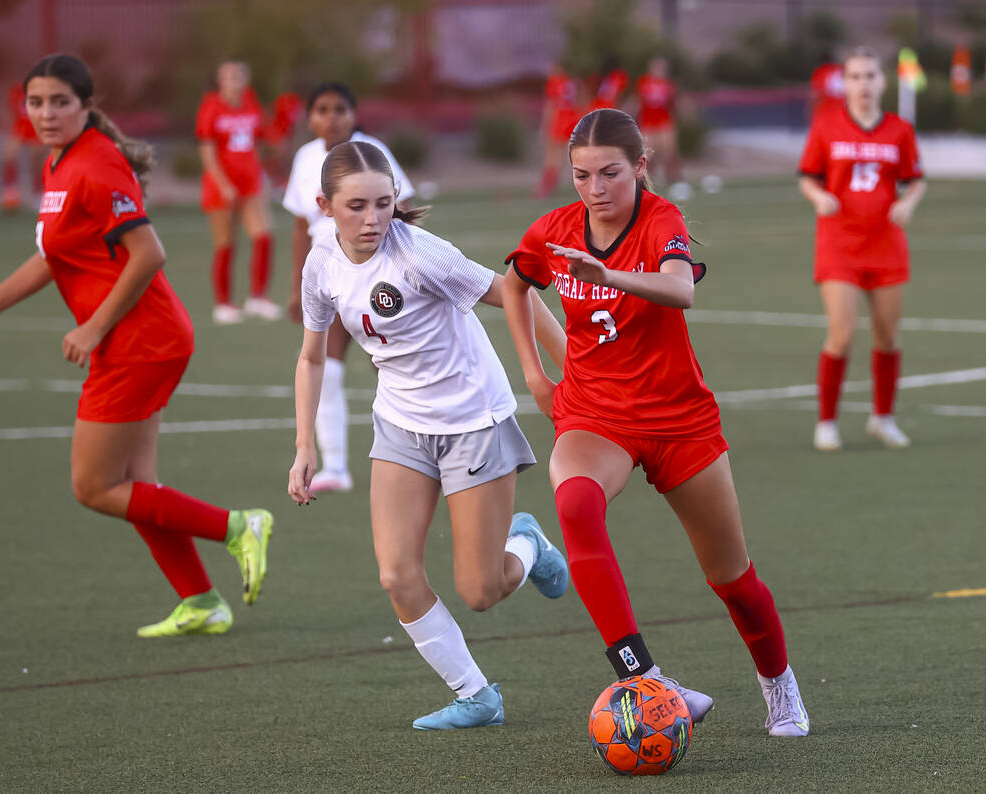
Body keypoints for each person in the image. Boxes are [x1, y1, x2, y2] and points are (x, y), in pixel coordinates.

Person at [501, 107, 811, 738]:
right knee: (578, 506)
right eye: (582, 175)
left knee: (734, 579)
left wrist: (606, 273)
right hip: (595, 414)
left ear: (640, 167)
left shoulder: (661, 218)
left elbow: (681, 289)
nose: (595, 189)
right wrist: (535, 376)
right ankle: (642, 677)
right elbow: (513, 284)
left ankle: (779, 685)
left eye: (611, 173)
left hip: (679, 421)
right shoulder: (556, 230)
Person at [0, 54, 272, 637]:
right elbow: (55, 256)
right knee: (137, 488)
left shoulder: (96, 163)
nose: (46, 113)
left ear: (87, 106)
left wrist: (94, 327)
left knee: (94, 487)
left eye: (60, 102)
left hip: (139, 341)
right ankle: (200, 601)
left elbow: (149, 254)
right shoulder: (61, 163)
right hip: (145, 338)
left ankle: (237, 525)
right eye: (36, 102)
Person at [288, 140, 570, 730]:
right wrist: (305, 446)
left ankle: (531, 547)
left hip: (473, 423)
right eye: (356, 207)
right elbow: (312, 358)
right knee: (396, 574)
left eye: (384, 204)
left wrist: (564, 374)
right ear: (324, 205)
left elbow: (513, 291)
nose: (372, 220)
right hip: (401, 425)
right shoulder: (321, 263)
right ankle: (476, 695)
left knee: (481, 592)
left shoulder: (420, 256)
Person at [282, 82, 415, 494]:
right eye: (321, 109)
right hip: (331, 278)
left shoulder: (370, 152)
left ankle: (419, 455)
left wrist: (409, 271)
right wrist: (295, 288)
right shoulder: (306, 158)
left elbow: (403, 209)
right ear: (310, 118)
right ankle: (336, 465)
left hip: (379, 273)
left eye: (340, 108)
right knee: (327, 367)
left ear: (354, 115)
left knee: (401, 366)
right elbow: (302, 226)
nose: (331, 117)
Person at [798, 48, 926, 451]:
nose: (863, 84)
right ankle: (827, 422)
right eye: (855, 77)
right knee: (843, 333)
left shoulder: (899, 130)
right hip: (840, 245)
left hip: (886, 245)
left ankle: (882, 418)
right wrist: (818, 198)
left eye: (870, 76)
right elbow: (808, 177)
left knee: (888, 336)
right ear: (845, 83)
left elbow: (916, 179)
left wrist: (907, 202)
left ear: (882, 81)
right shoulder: (826, 124)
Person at [196, 59, 280, 324]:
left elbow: (262, 140)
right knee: (226, 244)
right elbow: (207, 151)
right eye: (230, 76)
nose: (236, 81)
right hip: (221, 189)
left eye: (240, 76)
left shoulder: (250, 103)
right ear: (220, 80)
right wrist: (222, 183)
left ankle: (258, 297)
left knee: (264, 236)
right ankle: (223, 303)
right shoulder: (211, 108)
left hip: (251, 186)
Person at [633, 57, 686, 198]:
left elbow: (675, 104)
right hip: (648, 123)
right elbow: (637, 102)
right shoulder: (643, 83)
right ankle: (648, 185)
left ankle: (676, 182)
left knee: (670, 152)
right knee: (649, 156)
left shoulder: (668, 85)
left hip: (664, 122)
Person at [535, 62, 581, 198]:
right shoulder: (570, 82)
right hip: (571, 120)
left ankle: (545, 187)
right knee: (561, 156)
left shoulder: (554, 81)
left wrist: (544, 126)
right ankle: (552, 185)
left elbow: (551, 105)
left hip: (559, 120)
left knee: (551, 156)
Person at [1, 81, 44, 211]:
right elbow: (10, 110)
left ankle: (38, 194)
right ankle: (11, 191)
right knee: (9, 155)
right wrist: (8, 127)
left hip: (35, 128)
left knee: (36, 160)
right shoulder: (16, 91)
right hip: (20, 127)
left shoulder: (41, 91)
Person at [808, 55, 845, 120]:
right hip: (846, 113)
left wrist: (811, 113)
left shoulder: (821, 72)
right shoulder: (842, 69)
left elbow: (816, 96)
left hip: (828, 112)